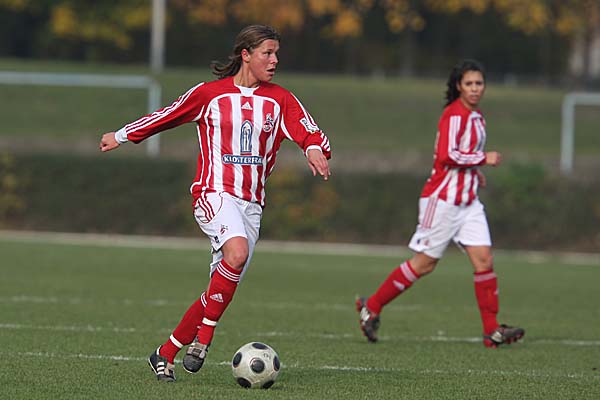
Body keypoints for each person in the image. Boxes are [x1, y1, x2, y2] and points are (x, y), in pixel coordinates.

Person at [99, 25, 331, 382]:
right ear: (246, 55)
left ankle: (164, 353)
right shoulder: (210, 94)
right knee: (236, 254)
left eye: (276, 53)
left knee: (218, 290)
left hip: (252, 206)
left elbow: (310, 131)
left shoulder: (280, 100)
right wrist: (121, 135)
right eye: (267, 53)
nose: (274, 60)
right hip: (214, 194)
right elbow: (166, 115)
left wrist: (313, 149)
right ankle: (204, 339)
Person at [355, 59, 524, 348]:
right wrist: (484, 159)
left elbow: (461, 156)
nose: (475, 88)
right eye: (469, 83)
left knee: (484, 260)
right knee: (424, 264)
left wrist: (475, 173)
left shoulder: (477, 116)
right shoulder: (454, 114)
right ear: (459, 86)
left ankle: (492, 331)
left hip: (468, 203)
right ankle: (372, 307)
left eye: (479, 83)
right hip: (443, 200)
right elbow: (447, 155)